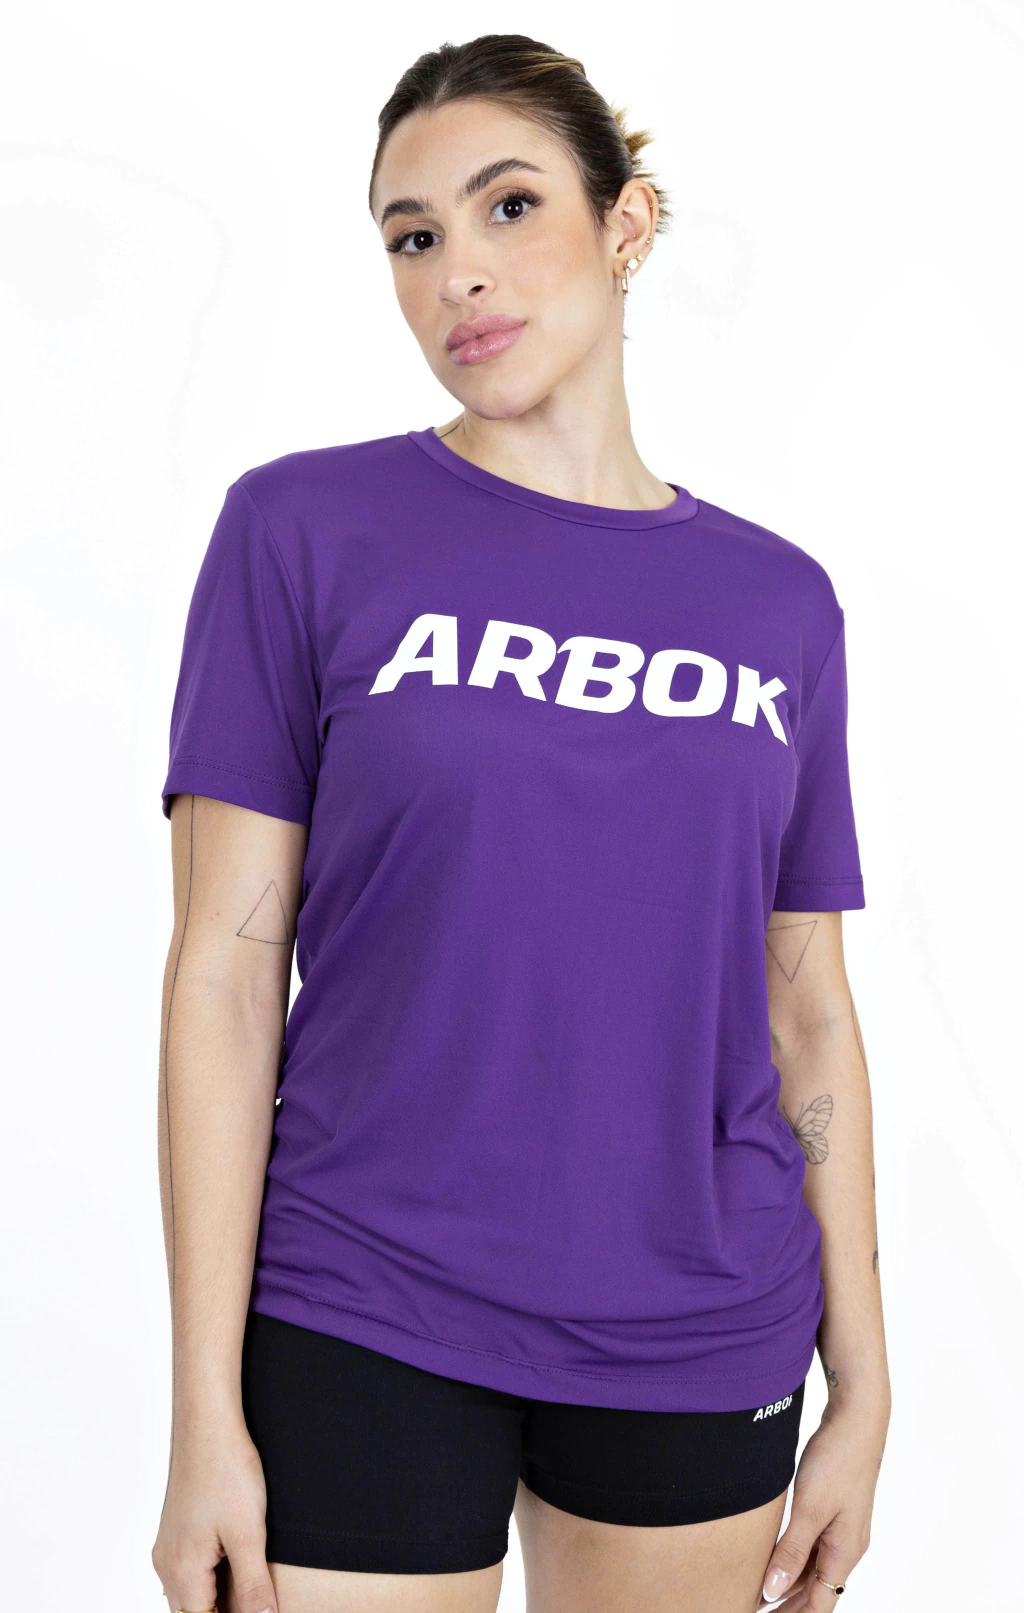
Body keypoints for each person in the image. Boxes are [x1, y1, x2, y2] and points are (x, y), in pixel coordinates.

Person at [151, 32, 890, 1613]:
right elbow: (222, 972)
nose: (457, 276)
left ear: (626, 226)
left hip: (704, 1319)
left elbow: (809, 1007)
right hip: (366, 1299)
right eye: (411, 237)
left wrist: (866, 1386)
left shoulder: (779, 605)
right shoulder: (302, 532)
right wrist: (202, 1410)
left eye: (507, 208)